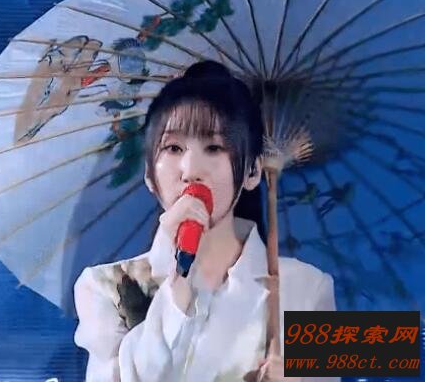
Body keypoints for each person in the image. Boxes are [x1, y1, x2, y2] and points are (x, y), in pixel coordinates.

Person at [73, 61, 338, 382]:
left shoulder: (308, 288)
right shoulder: (105, 287)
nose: (190, 169)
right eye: (173, 148)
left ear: (253, 171)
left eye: (214, 147)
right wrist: (177, 282)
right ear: (149, 175)